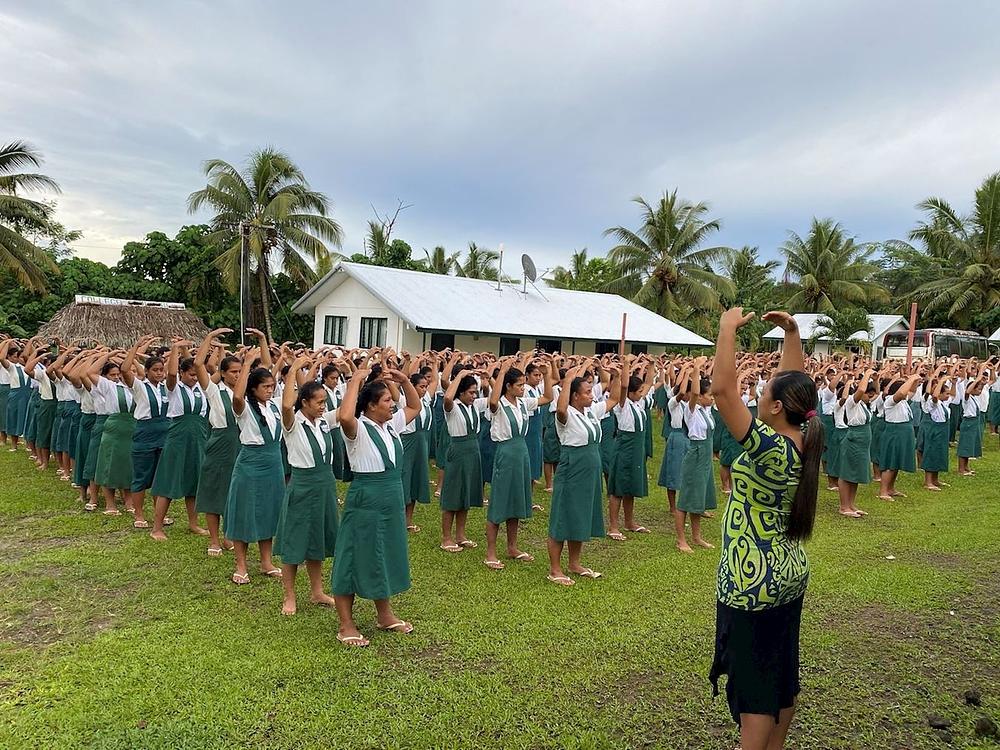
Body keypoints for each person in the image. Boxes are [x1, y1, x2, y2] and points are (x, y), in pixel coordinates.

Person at [709, 308, 824, 750]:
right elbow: (794, 384)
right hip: (788, 573)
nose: (757, 395)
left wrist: (726, 329)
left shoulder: (771, 449)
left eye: (764, 393)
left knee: (756, 687)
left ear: (777, 408)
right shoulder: (805, 437)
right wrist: (792, 333)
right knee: (780, 672)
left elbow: (723, 392)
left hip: (753, 580)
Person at [331, 362, 422, 647]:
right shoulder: (357, 429)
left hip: (391, 498)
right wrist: (355, 382)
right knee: (353, 556)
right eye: (386, 401)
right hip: (367, 499)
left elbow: (415, 406)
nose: (393, 404)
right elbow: (345, 415)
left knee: (383, 554)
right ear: (371, 406)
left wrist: (404, 381)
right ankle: (346, 624)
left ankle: (385, 615)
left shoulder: (390, 426)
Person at [274, 360, 339, 616]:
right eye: (319, 402)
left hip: (324, 485)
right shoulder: (293, 423)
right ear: (304, 402)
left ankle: (317, 591)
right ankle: (289, 596)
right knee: (294, 541)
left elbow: (346, 411)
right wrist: (293, 371)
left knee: (316, 539)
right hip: (302, 486)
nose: (323, 406)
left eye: (325, 402)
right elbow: (286, 406)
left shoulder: (323, 422)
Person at [546, 362, 619, 585]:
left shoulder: (591, 412)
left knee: (580, 514)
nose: (592, 395)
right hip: (572, 467)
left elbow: (614, 399)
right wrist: (567, 380)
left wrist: (616, 377)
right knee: (564, 515)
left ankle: (574, 563)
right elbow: (560, 409)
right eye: (587, 392)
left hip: (589, 469)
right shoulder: (565, 414)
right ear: (575, 396)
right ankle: (555, 569)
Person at [485, 358, 553, 570]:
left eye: (524, 384)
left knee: (516, 500)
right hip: (506, 453)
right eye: (519, 385)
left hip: (521, 452)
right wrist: (502, 371)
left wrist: (547, 374)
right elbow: (493, 401)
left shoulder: (524, 403)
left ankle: (512, 547)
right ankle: (491, 552)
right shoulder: (499, 405)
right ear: (508, 386)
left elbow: (548, 397)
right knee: (500, 501)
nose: (523, 388)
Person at [223, 352, 286, 585]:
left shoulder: (274, 406)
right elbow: (237, 396)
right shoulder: (244, 407)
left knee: (268, 511)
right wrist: (247, 364)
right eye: (265, 387)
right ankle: (241, 565)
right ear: (253, 388)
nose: (270, 390)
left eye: (272, 386)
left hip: (273, 463)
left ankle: (266, 561)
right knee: (245, 511)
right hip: (251, 463)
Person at [149, 337, 215, 540]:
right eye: (191, 375)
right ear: (182, 373)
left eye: (197, 375)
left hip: (198, 438)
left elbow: (206, 367)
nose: (195, 378)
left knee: (194, 481)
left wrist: (209, 342)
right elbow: (170, 373)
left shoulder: (202, 389)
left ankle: (193, 524)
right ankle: (157, 528)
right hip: (178, 438)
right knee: (169, 481)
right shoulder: (174, 388)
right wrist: (176, 349)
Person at [195, 347, 253, 556]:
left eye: (240, 371)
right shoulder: (214, 390)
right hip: (220, 444)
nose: (237, 375)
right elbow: (198, 364)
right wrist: (212, 338)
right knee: (214, 490)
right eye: (233, 372)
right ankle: (214, 539)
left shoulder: (245, 394)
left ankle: (229, 535)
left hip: (240, 443)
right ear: (223, 373)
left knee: (233, 491)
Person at [439, 364, 487, 553]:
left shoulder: (475, 406)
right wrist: (459, 376)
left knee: (465, 493)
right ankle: (446, 538)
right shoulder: (453, 407)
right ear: (461, 392)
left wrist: (488, 376)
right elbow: (447, 397)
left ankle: (460, 535)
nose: (474, 396)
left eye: (475, 392)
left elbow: (494, 397)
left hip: (473, 451)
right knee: (453, 494)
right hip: (458, 451)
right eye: (471, 392)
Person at [122, 336, 170, 527]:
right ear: (147, 371)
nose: (159, 373)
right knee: (141, 475)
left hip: (164, 434)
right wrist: (135, 347)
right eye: (155, 370)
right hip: (145, 433)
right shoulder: (140, 387)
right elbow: (125, 370)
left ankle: (159, 513)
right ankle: (139, 514)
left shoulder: (166, 388)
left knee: (161, 476)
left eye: (161, 370)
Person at [607, 358, 655, 540]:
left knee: (631, 487)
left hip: (637, 449)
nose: (643, 393)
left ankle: (629, 522)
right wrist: (626, 366)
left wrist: (651, 366)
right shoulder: (623, 404)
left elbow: (649, 383)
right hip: (625, 448)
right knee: (618, 488)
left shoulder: (638, 403)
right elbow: (624, 386)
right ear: (631, 393)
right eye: (639, 391)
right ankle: (613, 526)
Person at [675, 359, 717, 552]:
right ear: (700, 397)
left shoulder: (707, 410)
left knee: (698, 497)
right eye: (709, 395)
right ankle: (681, 540)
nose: (712, 398)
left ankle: (697, 536)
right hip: (696, 454)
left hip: (705, 456)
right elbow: (694, 393)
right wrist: (696, 369)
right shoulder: (691, 410)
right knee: (686, 498)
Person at [91, 352, 135, 515]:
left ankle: (129, 500)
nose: (117, 377)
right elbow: (90, 373)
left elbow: (143, 372)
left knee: (128, 464)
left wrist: (132, 358)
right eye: (113, 374)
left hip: (131, 426)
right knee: (108, 463)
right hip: (115, 426)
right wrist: (108, 355)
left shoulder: (133, 387)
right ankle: (110, 503)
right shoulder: (109, 386)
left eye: (119, 374)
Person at [396, 369, 434, 533]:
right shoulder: (403, 400)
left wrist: (434, 363)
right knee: (405, 479)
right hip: (408, 442)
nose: (424, 389)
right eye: (421, 386)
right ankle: (399, 519)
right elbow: (392, 387)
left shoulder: (426, 400)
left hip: (422, 442)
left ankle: (408, 520)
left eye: (425, 386)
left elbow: (435, 381)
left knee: (416, 480)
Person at [835, 370, 875, 518]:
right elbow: (861, 390)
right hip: (854, 440)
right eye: (867, 393)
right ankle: (844, 506)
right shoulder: (852, 401)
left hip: (862, 443)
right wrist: (867, 374)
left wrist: (875, 378)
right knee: (847, 473)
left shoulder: (864, 405)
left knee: (856, 473)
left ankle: (851, 504)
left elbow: (875, 391)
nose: (869, 395)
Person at [878, 374, 921, 500]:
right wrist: (911, 379)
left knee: (896, 462)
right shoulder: (890, 400)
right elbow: (901, 393)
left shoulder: (903, 401)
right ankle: (883, 491)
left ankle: (891, 488)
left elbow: (912, 391)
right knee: (890, 462)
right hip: (894, 432)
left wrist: (915, 380)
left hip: (903, 432)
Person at [920, 376, 952, 490]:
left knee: (939, 454)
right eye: (946, 394)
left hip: (943, 431)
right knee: (931, 454)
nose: (948, 396)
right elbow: (934, 396)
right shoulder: (933, 402)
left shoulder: (943, 404)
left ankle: (935, 479)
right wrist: (941, 381)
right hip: (935, 431)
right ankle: (928, 481)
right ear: (940, 394)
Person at [957, 367, 987, 476]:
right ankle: (961, 469)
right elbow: (967, 391)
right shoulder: (967, 398)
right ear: (972, 389)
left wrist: (981, 381)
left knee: (970, 445)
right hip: (968, 422)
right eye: (978, 389)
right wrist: (976, 380)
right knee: (965, 445)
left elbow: (981, 386)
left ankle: (966, 467)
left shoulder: (975, 398)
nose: (980, 391)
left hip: (974, 422)